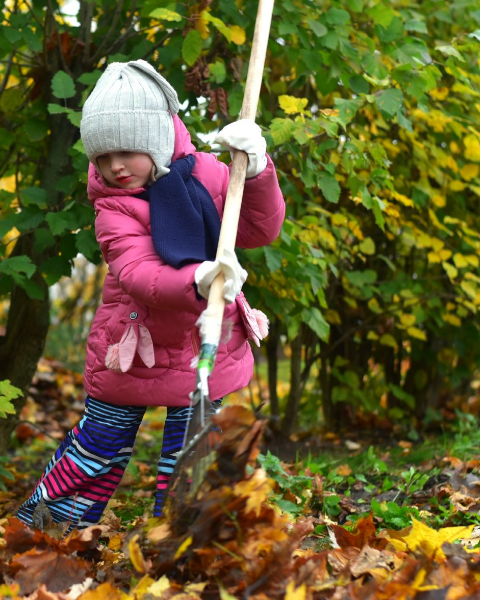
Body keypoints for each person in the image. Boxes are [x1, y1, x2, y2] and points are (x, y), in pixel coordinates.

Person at [16, 59, 285, 533]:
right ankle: (49, 528)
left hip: (206, 342)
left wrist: (258, 170)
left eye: (127, 151)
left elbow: (259, 228)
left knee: (196, 446)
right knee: (100, 443)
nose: (114, 165)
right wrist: (198, 279)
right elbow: (139, 273)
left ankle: (187, 535)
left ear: (158, 139)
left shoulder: (210, 174)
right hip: (133, 348)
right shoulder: (114, 206)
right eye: (102, 156)